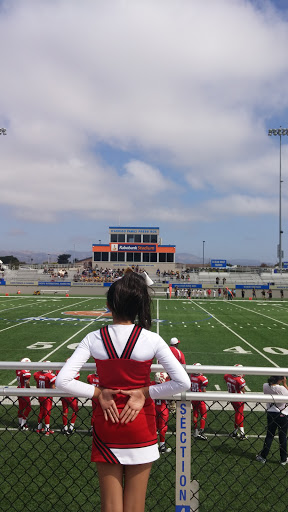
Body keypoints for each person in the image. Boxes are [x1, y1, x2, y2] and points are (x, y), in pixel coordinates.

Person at [56, 271, 190, 512]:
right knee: (135, 505)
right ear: (139, 306)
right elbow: (183, 383)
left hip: (106, 423)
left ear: (109, 305)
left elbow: (63, 381)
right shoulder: (152, 339)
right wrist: (144, 393)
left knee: (110, 506)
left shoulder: (93, 338)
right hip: (141, 423)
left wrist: (98, 394)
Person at [256, 376, 288, 465]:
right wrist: (285, 384)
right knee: (283, 437)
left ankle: (263, 456)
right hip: (283, 414)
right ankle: (283, 459)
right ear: (280, 380)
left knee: (269, 435)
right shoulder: (282, 388)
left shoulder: (265, 385)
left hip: (271, 413)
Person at [56, 360, 80, 435]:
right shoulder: (75, 372)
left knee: (65, 411)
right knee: (75, 410)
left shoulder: (59, 371)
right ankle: (71, 427)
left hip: (63, 393)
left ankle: (65, 428)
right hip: (71, 393)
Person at [224, 364, 246, 440]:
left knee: (239, 414)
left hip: (231, 397)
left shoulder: (227, 376)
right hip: (238, 398)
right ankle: (241, 433)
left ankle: (235, 431)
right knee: (239, 414)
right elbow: (242, 389)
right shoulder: (239, 380)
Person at [34, 361, 56, 436]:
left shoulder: (37, 374)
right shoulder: (50, 376)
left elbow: (37, 384)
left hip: (40, 395)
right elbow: (53, 388)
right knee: (47, 412)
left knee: (41, 411)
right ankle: (47, 430)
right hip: (47, 396)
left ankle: (39, 428)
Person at [151, 371, 171, 454]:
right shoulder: (166, 386)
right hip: (163, 408)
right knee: (163, 427)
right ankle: (162, 446)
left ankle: (153, 445)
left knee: (153, 426)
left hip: (154, 407)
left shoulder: (152, 384)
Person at [190, 363, 208, 440]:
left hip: (193, 397)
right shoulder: (202, 379)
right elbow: (203, 389)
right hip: (200, 398)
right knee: (204, 414)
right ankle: (201, 431)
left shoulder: (191, 376)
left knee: (195, 413)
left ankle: (196, 430)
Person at [16, 357, 32, 430]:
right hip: (24, 390)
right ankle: (23, 424)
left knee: (21, 407)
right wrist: (29, 389)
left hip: (18, 389)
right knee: (28, 407)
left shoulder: (18, 370)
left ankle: (20, 422)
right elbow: (27, 383)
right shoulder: (25, 373)